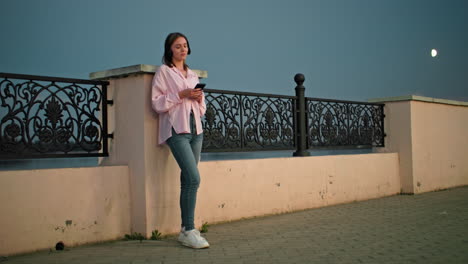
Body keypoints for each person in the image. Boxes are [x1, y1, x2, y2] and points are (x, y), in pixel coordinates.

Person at [151, 32, 209, 249]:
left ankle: (186, 230)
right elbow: (157, 104)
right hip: (177, 131)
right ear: (170, 50)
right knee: (194, 178)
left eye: (185, 46)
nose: (183, 49)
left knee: (188, 181)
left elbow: (201, 109)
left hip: (197, 131)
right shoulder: (164, 72)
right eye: (178, 46)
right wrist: (182, 94)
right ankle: (189, 229)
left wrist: (199, 98)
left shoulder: (193, 75)